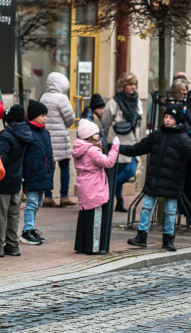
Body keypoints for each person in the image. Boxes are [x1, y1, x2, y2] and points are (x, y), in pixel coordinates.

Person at [121, 105, 191, 252]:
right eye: (166, 117)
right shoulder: (157, 135)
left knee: (170, 211)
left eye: (171, 118)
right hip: (155, 179)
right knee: (146, 207)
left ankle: (168, 239)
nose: (168, 120)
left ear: (177, 120)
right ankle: (141, 236)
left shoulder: (183, 138)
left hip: (173, 181)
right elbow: (138, 148)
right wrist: (118, 148)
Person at [0, 105, 31, 259]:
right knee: (14, 214)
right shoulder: (25, 133)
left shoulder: (6, 136)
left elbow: (1, 160)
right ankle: (12, 245)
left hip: (3, 179)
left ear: (8, 121)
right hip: (16, 178)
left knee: (1, 215)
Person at [72, 119, 120, 255]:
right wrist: (115, 147)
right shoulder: (92, 151)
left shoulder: (80, 148)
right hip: (95, 188)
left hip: (84, 186)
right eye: (95, 133)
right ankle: (94, 247)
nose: (98, 135)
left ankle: (81, 246)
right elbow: (109, 162)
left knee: (85, 218)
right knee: (95, 219)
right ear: (88, 135)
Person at [102, 72, 144, 212]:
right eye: (129, 84)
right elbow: (105, 122)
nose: (133, 87)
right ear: (122, 86)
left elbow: (139, 122)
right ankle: (119, 201)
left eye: (134, 84)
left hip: (132, 142)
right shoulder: (114, 102)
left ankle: (106, 191)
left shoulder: (137, 101)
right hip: (116, 142)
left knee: (130, 170)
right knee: (117, 171)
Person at [40, 71, 76, 207]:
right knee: (65, 167)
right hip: (60, 138)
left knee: (49, 168)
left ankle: (48, 197)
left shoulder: (43, 97)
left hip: (47, 138)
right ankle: (64, 196)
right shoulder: (62, 98)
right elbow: (70, 119)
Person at [21, 101, 54, 246]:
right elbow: (23, 154)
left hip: (43, 173)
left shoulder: (45, 133)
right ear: (33, 116)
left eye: (46, 115)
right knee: (32, 202)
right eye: (42, 115)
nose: (45, 118)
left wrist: (51, 168)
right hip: (32, 173)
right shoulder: (27, 132)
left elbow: (49, 153)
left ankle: (31, 228)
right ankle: (27, 231)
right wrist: (23, 173)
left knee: (38, 203)